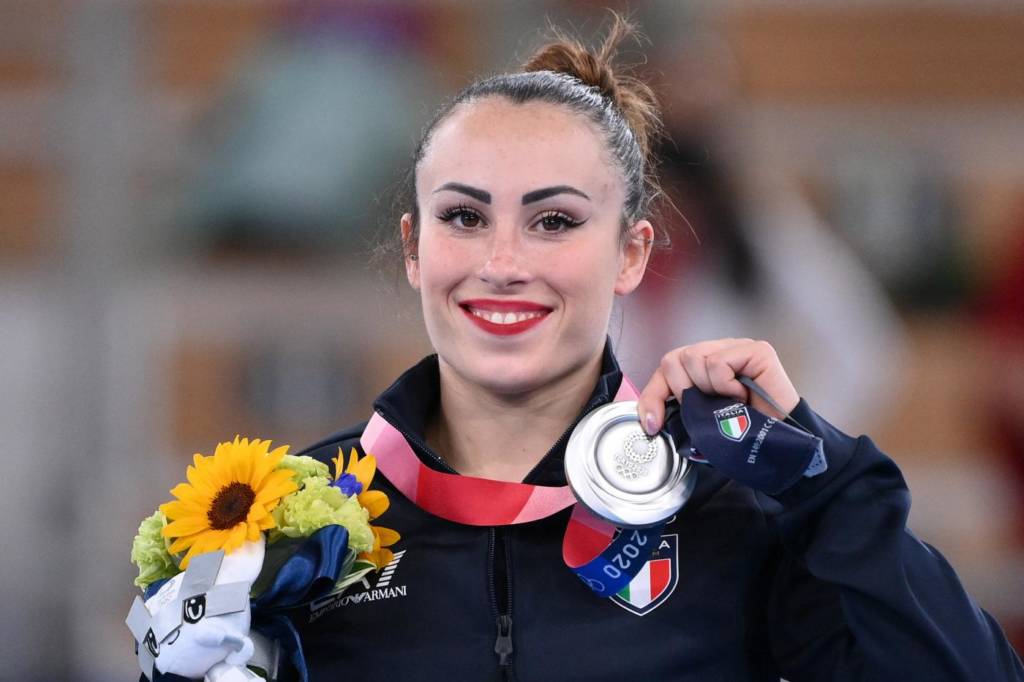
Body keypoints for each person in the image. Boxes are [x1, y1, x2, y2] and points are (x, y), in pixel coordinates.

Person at [152, 15, 1023, 682]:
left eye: (555, 221)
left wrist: (820, 478)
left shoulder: (735, 519)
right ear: (415, 249)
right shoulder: (288, 523)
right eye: (464, 216)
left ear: (631, 254)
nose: (502, 263)